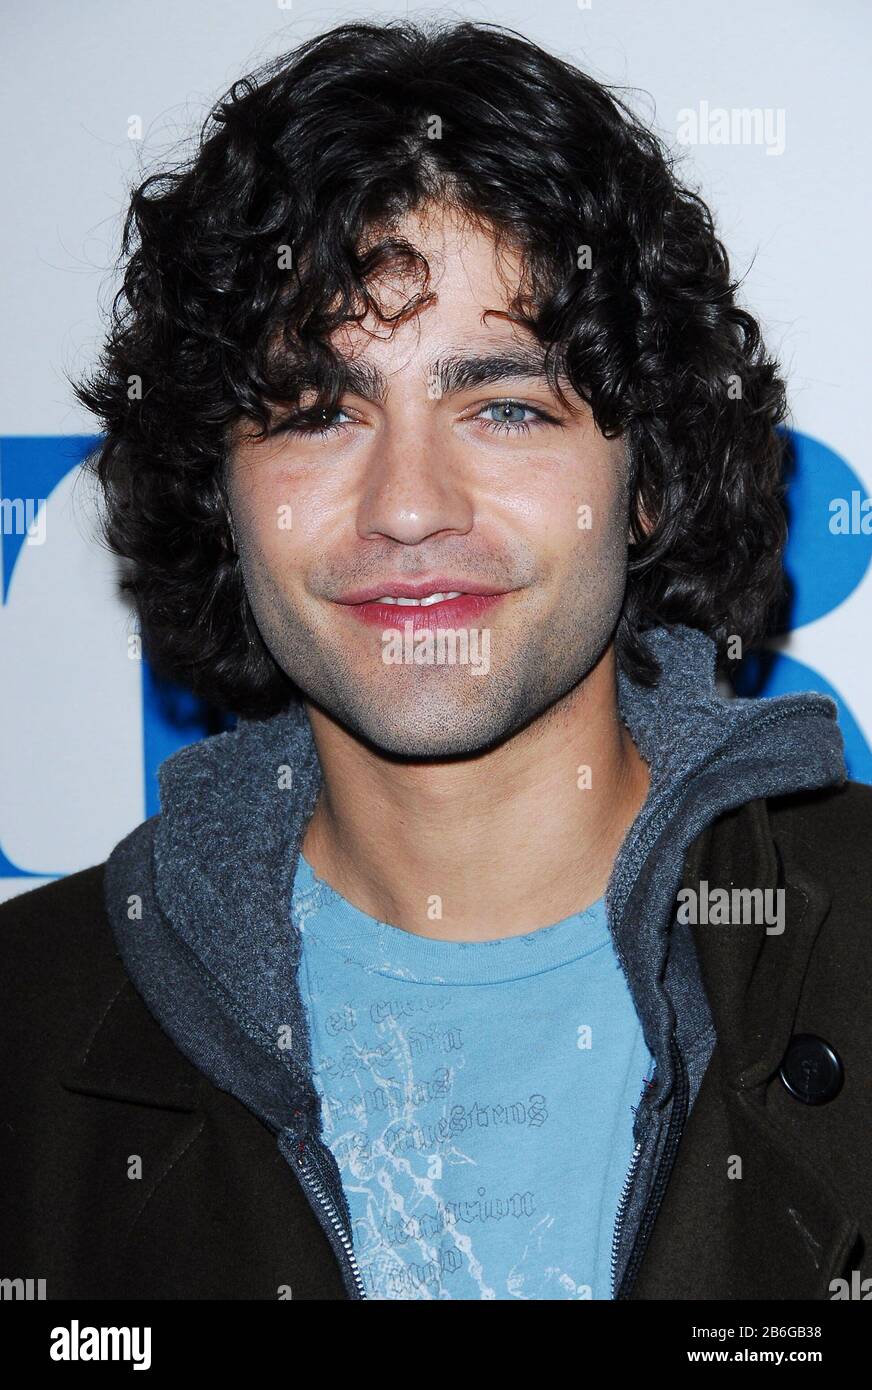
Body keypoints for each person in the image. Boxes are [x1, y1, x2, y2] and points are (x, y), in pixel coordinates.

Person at [1, 18, 870, 1302]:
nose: (408, 505)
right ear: (218, 492)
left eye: (504, 407)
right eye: (318, 412)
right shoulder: (29, 1024)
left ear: (645, 483)